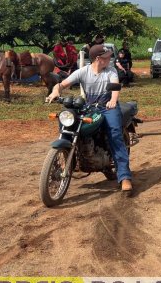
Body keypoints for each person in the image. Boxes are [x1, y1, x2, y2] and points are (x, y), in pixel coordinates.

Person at [45, 44, 133, 193]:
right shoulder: (83, 72)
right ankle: (68, 159)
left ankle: (124, 177)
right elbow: (61, 84)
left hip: (108, 107)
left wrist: (113, 100)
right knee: (68, 123)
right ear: (98, 58)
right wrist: (55, 92)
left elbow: (115, 86)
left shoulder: (111, 70)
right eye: (107, 56)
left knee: (115, 135)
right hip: (90, 106)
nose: (110, 59)